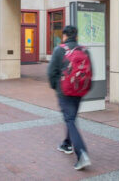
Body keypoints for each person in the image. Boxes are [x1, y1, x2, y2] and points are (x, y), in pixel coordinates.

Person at [48, 25, 92, 170]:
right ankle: (67, 144)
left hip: (65, 91)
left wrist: (56, 87)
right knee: (71, 117)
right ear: (77, 36)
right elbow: (91, 71)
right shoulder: (84, 50)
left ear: (64, 36)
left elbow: (51, 72)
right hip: (79, 90)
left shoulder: (59, 49)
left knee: (70, 119)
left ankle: (82, 154)